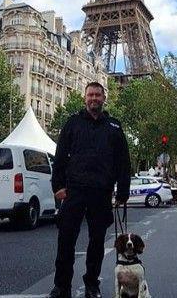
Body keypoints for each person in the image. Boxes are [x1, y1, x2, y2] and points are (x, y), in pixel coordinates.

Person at [49, 82, 131, 298]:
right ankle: (61, 286)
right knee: (65, 241)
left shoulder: (114, 126)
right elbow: (59, 157)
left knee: (96, 242)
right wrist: (58, 186)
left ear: (104, 98)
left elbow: (124, 161)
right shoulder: (72, 123)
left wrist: (123, 191)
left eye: (97, 95)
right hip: (74, 191)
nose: (93, 98)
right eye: (90, 95)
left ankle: (91, 284)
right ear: (85, 98)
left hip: (100, 192)